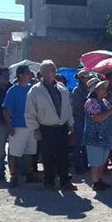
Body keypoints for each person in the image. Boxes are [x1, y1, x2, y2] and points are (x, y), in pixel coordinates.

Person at [25, 60, 77, 191]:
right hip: (46, 127)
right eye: (46, 71)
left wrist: (70, 124)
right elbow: (30, 112)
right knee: (48, 156)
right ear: (41, 74)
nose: (50, 74)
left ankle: (65, 181)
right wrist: (35, 129)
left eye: (52, 70)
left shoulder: (62, 88)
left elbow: (68, 108)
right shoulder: (35, 91)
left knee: (63, 155)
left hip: (62, 127)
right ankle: (49, 181)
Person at [84, 77, 112, 191]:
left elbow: (110, 113)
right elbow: (98, 118)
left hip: (104, 137)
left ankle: (100, 180)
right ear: (95, 91)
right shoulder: (91, 103)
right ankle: (96, 183)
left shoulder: (103, 101)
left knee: (102, 160)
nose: (105, 89)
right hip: (94, 137)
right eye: (102, 88)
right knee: (96, 161)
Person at [3, 65, 39, 187]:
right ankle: (13, 175)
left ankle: (29, 173)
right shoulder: (12, 91)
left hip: (32, 126)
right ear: (21, 75)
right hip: (18, 126)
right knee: (14, 152)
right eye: (28, 73)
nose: (30, 75)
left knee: (30, 151)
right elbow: (6, 109)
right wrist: (9, 125)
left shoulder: (33, 89)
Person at [71, 69, 92, 174]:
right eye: (86, 77)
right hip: (79, 119)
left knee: (86, 143)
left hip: (88, 120)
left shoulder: (90, 90)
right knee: (78, 143)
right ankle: (77, 165)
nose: (88, 79)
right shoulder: (77, 90)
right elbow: (78, 106)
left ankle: (85, 163)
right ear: (80, 78)